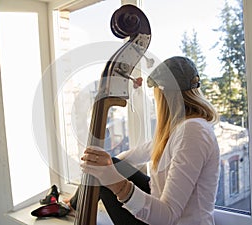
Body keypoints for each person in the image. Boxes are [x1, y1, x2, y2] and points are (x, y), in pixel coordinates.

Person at [67, 56, 220, 225]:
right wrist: (105, 165)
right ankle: (73, 204)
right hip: (162, 210)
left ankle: (71, 206)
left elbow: (167, 216)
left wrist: (115, 182)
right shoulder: (181, 129)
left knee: (106, 175)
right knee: (109, 166)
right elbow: (133, 155)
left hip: (167, 220)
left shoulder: (192, 132)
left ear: (163, 96)